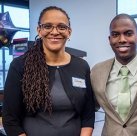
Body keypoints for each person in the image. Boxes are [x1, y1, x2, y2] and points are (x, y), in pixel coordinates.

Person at [2, 6, 95, 136]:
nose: (55, 32)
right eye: (48, 26)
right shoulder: (20, 66)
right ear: (39, 30)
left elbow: (88, 114)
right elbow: (10, 119)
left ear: (69, 32)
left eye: (61, 27)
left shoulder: (81, 66)